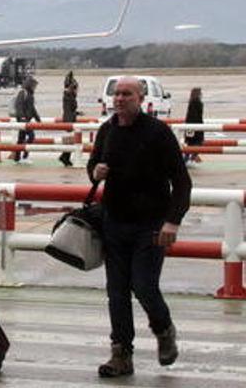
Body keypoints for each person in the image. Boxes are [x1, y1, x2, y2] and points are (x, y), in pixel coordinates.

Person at [87, 76, 192, 378]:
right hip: (114, 223)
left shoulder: (158, 133)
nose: (120, 99)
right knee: (117, 292)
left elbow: (182, 182)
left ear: (141, 98)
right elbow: (92, 168)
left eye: (127, 94)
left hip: (151, 225)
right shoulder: (107, 130)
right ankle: (121, 354)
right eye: (117, 94)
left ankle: (163, 329)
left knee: (144, 286)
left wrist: (173, 220)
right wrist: (95, 171)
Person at [13, 76, 40, 163]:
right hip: (23, 120)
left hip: (26, 120)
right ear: (30, 85)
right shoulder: (23, 93)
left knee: (21, 139)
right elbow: (19, 106)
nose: (35, 87)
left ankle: (17, 158)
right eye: (34, 86)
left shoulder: (30, 94)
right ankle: (24, 156)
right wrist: (22, 118)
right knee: (31, 136)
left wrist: (38, 119)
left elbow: (32, 108)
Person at [59, 81, 79, 167]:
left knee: (70, 140)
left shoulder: (69, 96)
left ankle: (65, 157)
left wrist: (76, 113)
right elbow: (68, 110)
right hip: (69, 120)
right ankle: (64, 157)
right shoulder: (68, 96)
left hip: (69, 118)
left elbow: (71, 109)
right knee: (69, 140)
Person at [183, 87, 204, 163]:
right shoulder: (197, 102)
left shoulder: (191, 102)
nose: (201, 94)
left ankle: (189, 157)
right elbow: (197, 116)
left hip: (189, 125)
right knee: (199, 142)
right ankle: (193, 156)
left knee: (190, 144)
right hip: (195, 126)